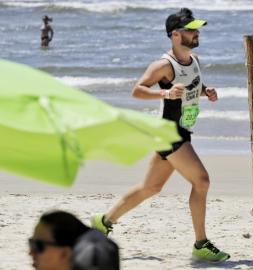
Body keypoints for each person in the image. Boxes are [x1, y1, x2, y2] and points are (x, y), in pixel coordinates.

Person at [91, 8, 230, 262]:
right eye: (191, 30)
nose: (197, 33)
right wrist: (164, 93)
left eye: (197, 29)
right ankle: (201, 243)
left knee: (150, 187)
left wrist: (206, 91)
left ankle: (103, 221)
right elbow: (137, 90)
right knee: (202, 181)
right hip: (169, 132)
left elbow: (190, 90)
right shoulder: (164, 66)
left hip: (181, 131)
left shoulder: (195, 60)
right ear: (175, 35)